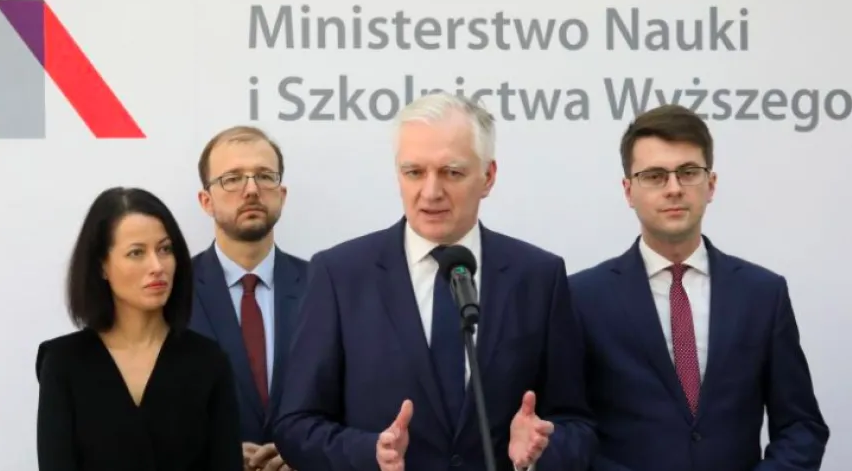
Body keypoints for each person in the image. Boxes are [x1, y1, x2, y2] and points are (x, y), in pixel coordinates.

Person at [273, 92, 597, 471]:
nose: (430, 192)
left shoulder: (538, 277)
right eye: (414, 172)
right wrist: (370, 453)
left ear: (488, 177)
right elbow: (295, 426)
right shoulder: (339, 275)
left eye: (452, 172)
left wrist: (540, 452)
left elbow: (579, 426)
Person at [569, 104, 829, 471]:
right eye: (655, 175)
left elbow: (801, 426)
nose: (674, 189)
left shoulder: (763, 295)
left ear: (711, 184)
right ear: (629, 190)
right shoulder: (582, 298)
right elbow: (569, 430)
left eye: (688, 172)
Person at [35, 187, 243, 471]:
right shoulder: (63, 362)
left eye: (165, 249)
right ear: (102, 266)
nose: (157, 266)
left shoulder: (208, 361)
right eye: (136, 253)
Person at [189, 126, 308, 471]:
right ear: (206, 200)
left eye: (264, 176)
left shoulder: (324, 287)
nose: (252, 189)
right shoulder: (173, 293)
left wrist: (306, 453)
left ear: (282, 194)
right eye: (233, 179)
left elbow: (348, 400)